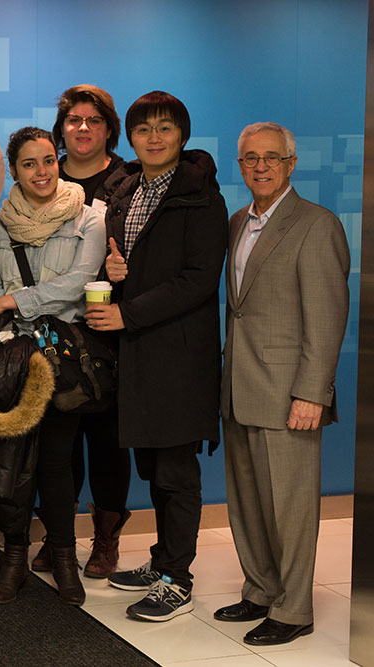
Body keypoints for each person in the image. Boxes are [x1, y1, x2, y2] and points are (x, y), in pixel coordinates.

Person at [85, 91, 228, 621]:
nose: (154, 138)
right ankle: (162, 560)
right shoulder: (126, 191)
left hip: (178, 353)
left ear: (182, 136)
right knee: (151, 464)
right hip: (136, 351)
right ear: (132, 138)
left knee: (174, 469)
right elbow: (126, 260)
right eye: (144, 129)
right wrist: (113, 273)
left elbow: (197, 280)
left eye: (165, 128)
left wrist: (129, 312)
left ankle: (177, 579)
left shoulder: (201, 198)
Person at [214, 122, 349, 646]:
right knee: (247, 501)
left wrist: (313, 392)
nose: (261, 166)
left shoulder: (317, 224)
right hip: (240, 384)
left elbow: (327, 316)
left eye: (272, 157)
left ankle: (294, 610)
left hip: (289, 391)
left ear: (291, 164)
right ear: (240, 166)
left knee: (290, 508)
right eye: (251, 158)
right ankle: (261, 589)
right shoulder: (234, 222)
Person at [0, 127, 106, 605]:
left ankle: (65, 559)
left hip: (62, 358)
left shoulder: (89, 219)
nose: (42, 171)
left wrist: (15, 298)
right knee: (11, 465)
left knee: (55, 464)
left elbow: (79, 283)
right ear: (15, 170)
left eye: (49, 160)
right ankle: (14, 560)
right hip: (11, 361)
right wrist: (10, 305)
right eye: (30, 164)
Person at [31, 84, 131, 579]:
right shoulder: (45, 176)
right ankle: (58, 534)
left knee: (108, 437)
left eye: (94, 120)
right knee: (58, 441)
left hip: (111, 331)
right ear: (61, 130)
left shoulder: (129, 182)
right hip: (53, 332)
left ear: (110, 128)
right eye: (74, 120)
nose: (83, 128)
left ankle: (107, 538)